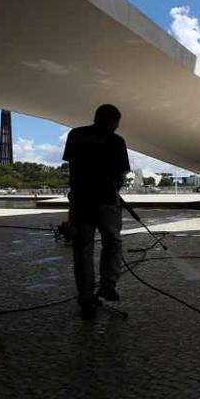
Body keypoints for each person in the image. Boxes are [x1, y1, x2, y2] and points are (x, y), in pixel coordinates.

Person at [63, 104, 131, 319]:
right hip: (107, 201)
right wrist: (114, 193)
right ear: (115, 121)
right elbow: (120, 175)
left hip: (81, 201)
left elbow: (72, 166)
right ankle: (108, 285)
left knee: (82, 249)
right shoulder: (117, 141)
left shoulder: (76, 135)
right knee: (112, 242)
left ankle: (86, 298)